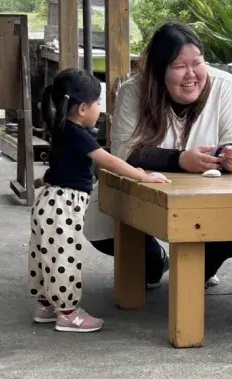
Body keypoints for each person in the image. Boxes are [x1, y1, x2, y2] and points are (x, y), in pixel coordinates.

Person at [84, 22, 232, 285]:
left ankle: (199, 269)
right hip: (141, 196)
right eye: (179, 66)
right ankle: (156, 261)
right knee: (107, 234)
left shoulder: (226, 86)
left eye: (197, 63)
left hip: (207, 197)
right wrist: (180, 160)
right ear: (159, 69)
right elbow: (125, 152)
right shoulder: (134, 90)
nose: (191, 74)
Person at [29, 68, 169, 333]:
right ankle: (68, 314)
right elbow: (108, 161)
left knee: (45, 254)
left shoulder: (61, 128)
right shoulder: (77, 134)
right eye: (97, 104)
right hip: (62, 205)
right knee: (64, 257)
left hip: (49, 201)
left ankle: (45, 305)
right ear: (83, 108)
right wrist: (141, 176)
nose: (100, 111)